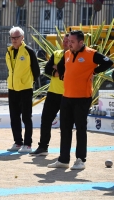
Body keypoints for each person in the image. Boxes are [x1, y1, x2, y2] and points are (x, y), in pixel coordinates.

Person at [48, 30, 113, 170]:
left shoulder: (91, 54)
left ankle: (80, 159)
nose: (68, 44)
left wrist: (94, 71)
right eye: (68, 41)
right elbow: (60, 66)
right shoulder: (67, 54)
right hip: (66, 97)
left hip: (82, 98)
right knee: (65, 128)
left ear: (81, 42)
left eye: (72, 42)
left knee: (80, 129)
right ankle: (63, 159)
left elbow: (109, 62)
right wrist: (63, 75)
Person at [30, 34, 69, 156]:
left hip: (67, 94)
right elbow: (47, 70)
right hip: (52, 93)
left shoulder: (74, 56)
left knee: (65, 124)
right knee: (45, 120)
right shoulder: (57, 53)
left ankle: (64, 152)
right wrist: (59, 71)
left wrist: (59, 69)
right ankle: (43, 147)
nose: (65, 43)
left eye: (68, 41)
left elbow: (70, 71)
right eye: (64, 41)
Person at [5, 26, 40, 153]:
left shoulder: (28, 51)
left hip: (25, 88)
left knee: (26, 117)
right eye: (12, 37)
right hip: (12, 88)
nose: (14, 40)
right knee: (14, 117)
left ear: (22, 38)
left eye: (17, 37)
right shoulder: (8, 51)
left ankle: (28, 144)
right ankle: (18, 142)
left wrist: (29, 82)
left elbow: (36, 70)